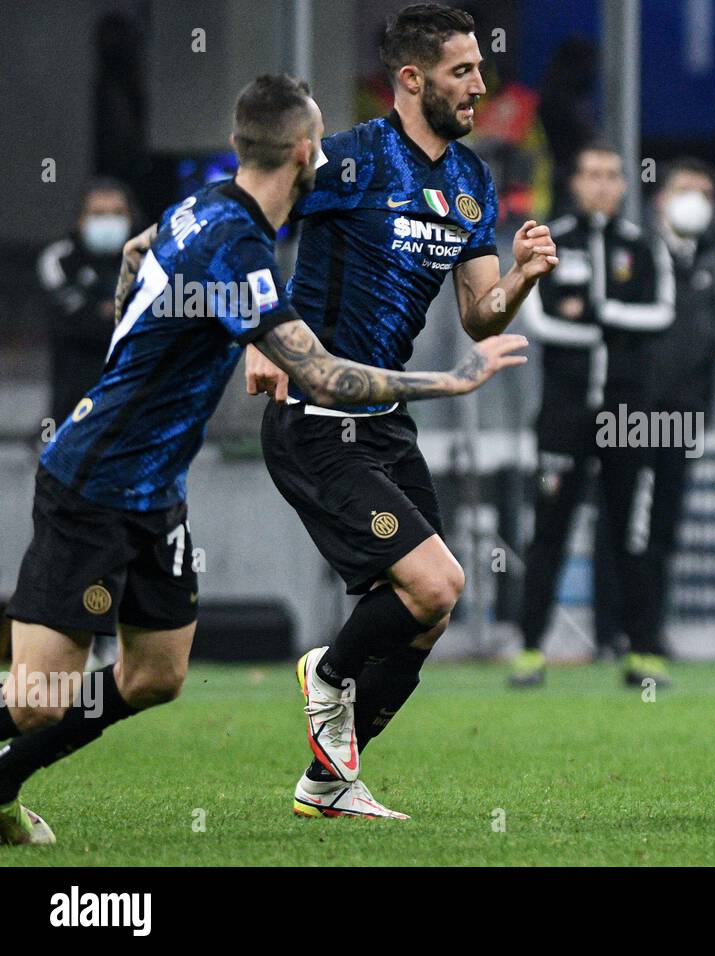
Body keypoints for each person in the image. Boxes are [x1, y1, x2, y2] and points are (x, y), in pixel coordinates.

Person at [0, 73, 527, 845]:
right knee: (40, 697)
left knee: (154, 677)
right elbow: (319, 372)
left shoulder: (204, 209)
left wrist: (145, 338)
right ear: (307, 152)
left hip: (156, 493)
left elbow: (144, 250)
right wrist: (453, 379)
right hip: (93, 482)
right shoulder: (235, 241)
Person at [242, 4, 558, 818]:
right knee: (436, 579)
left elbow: (481, 311)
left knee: (432, 610)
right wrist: (255, 335)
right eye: (461, 72)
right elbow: (248, 222)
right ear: (410, 79)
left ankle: (328, 781)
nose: (478, 86)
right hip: (317, 411)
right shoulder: (348, 160)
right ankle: (330, 676)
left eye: (481, 69)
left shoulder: (470, 180)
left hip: (385, 416)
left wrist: (519, 276)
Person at [509, 142, 674, 689]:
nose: (602, 184)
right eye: (592, 174)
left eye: (612, 175)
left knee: (632, 531)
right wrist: (606, 326)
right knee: (549, 527)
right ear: (575, 182)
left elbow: (663, 315)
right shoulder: (549, 241)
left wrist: (607, 314)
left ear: (625, 184)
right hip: (565, 411)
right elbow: (540, 320)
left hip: (629, 415)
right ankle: (530, 649)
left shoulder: (644, 248)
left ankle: (642, 651)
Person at [592, 158, 715, 674]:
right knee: (625, 524)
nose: (699, 201)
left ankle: (649, 629)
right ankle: (615, 632)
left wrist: (703, 417)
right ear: (660, 199)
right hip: (633, 414)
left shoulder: (709, 263)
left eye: (706, 193)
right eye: (688, 190)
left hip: (684, 418)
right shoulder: (638, 255)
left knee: (662, 527)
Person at [37, 179, 139, 425]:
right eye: (98, 214)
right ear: (80, 219)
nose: (108, 221)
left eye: (116, 213)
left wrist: (103, 310)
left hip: (134, 408)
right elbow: (76, 323)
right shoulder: (60, 259)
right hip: (72, 410)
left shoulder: (148, 258)